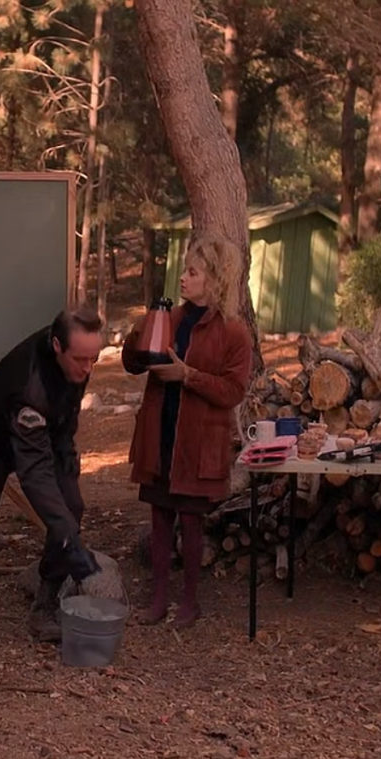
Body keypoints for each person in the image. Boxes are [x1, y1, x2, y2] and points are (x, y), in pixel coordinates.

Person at [0, 307, 105, 642]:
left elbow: (66, 416)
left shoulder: (77, 358)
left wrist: (68, 462)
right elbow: (34, 473)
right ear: (57, 346)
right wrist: (69, 536)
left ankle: (44, 605)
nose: (87, 368)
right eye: (81, 360)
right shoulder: (28, 386)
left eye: (93, 359)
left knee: (72, 508)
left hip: (47, 440)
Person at [123, 234, 252, 627]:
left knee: (191, 523)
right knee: (159, 516)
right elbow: (132, 363)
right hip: (161, 431)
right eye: (185, 271)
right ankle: (159, 599)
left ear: (213, 280)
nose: (183, 278)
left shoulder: (234, 332)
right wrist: (139, 332)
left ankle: (189, 602)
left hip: (198, 440)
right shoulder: (171, 318)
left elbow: (234, 390)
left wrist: (188, 375)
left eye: (192, 272)